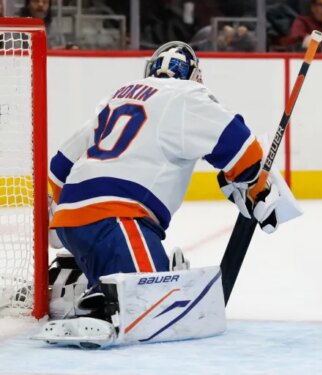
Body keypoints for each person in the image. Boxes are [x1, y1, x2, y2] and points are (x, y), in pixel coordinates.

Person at [44, 41, 298, 346]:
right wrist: (256, 185)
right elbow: (238, 143)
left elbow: (59, 167)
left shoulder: (118, 96)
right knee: (153, 305)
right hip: (119, 219)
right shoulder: (187, 95)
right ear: (194, 75)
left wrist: (64, 214)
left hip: (75, 219)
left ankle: (82, 283)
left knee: (147, 286)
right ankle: (103, 301)